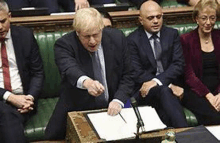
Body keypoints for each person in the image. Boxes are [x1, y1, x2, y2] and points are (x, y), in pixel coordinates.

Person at [45, 7, 134, 140]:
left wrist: (118, 100)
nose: (92, 41)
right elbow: (70, 69)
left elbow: (129, 75)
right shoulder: (64, 44)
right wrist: (87, 83)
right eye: (86, 36)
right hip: (78, 107)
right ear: (77, 33)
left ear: (101, 28)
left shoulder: (117, 38)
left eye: (96, 35)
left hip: (112, 105)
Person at [127, 1, 188, 128]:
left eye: (159, 17)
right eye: (151, 18)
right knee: (165, 90)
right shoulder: (132, 40)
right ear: (141, 20)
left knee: (165, 101)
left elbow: (178, 64)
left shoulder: (172, 34)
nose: (156, 21)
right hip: (144, 91)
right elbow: (137, 72)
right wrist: (168, 84)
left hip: (168, 91)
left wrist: (158, 81)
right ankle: (186, 134)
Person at [0, 1, 44, 143]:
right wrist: (10, 97)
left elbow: (38, 73)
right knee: (5, 112)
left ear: (10, 16)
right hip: (2, 98)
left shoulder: (25, 36)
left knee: (7, 115)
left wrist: (29, 98)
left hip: (24, 100)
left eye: (3, 21)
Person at [180, 0, 220, 125]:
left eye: (212, 18)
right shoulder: (186, 40)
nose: (208, 23)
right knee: (214, 117)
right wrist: (209, 96)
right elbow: (188, 75)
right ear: (196, 19)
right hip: (195, 91)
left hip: (218, 90)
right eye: (204, 18)